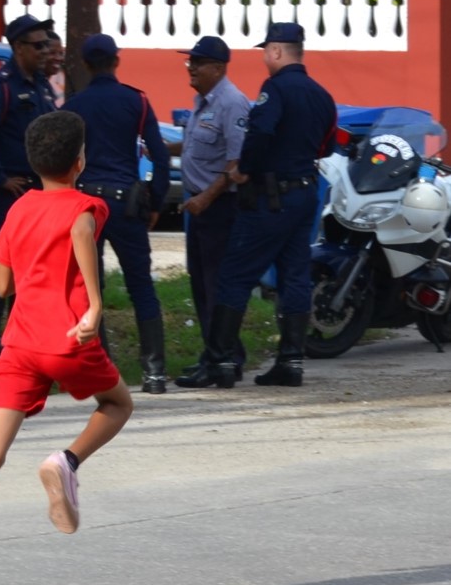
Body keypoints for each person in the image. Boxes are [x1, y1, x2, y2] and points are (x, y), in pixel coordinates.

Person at [0, 111, 135, 585]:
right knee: (117, 404)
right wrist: (92, 305)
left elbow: (2, 287)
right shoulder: (86, 204)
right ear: (80, 160)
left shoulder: (19, 208)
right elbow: (83, 231)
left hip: (19, 342)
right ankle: (66, 462)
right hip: (67, 338)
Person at [187, 22, 337, 389]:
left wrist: (246, 169)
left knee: (234, 274)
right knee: (294, 275)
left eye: (265, 51)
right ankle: (291, 361)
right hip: (304, 193)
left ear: (275, 51)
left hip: (271, 197)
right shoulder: (321, 94)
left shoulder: (275, 89)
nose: (264, 59)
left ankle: (220, 362)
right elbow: (328, 145)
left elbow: (261, 133)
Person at [62, 33, 172, 394]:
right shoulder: (136, 101)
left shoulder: (76, 105)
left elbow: (63, 158)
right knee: (141, 285)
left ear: (87, 65)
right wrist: (155, 201)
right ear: (116, 61)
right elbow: (158, 153)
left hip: (87, 205)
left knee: (92, 288)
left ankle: (103, 372)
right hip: (126, 203)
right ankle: (155, 373)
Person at [0, 14, 59, 357]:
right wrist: (0, 178)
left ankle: (20, 330)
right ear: (19, 47)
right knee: (6, 260)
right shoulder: (2, 85)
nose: (44, 50)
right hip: (13, 190)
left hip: (37, 189)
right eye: (38, 45)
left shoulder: (39, 84)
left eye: (47, 44)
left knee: (32, 262)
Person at [168, 37, 253, 386]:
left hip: (219, 207)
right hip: (199, 206)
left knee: (215, 285)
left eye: (199, 62)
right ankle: (220, 355)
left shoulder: (233, 104)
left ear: (218, 68)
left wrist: (206, 197)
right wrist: (157, 147)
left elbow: (237, 163)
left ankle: (221, 360)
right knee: (201, 285)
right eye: (191, 61)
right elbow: (192, 146)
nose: (191, 67)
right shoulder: (204, 102)